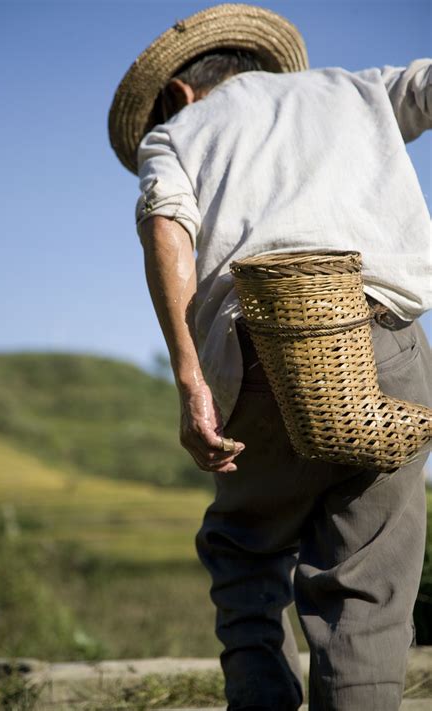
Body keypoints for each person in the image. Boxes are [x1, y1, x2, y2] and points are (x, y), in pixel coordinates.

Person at [108, 4, 432, 710]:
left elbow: (168, 227)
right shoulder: (355, 88)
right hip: (387, 344)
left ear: (180, 91)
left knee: (245, 549)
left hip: (258, 356)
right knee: (367, 584)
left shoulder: (178, 131)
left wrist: (191, 379)